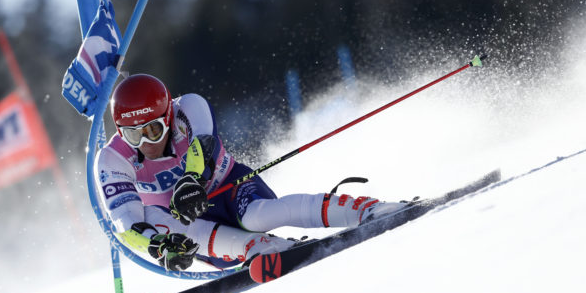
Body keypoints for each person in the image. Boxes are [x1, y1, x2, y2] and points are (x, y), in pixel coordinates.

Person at [94, 74, 408, 271]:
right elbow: (125, 222)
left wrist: (192, 180)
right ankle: (256, 248)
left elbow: (202, 147)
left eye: (153, 129)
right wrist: (158, 246)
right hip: (194, 226)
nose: (147, 142)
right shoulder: (111, 160)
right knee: (153, 217)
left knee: (258, 216)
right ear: (121, 132)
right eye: (134, 135)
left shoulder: (188, 107)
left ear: (168, 116)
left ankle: (364, 209)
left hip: (229, 188)